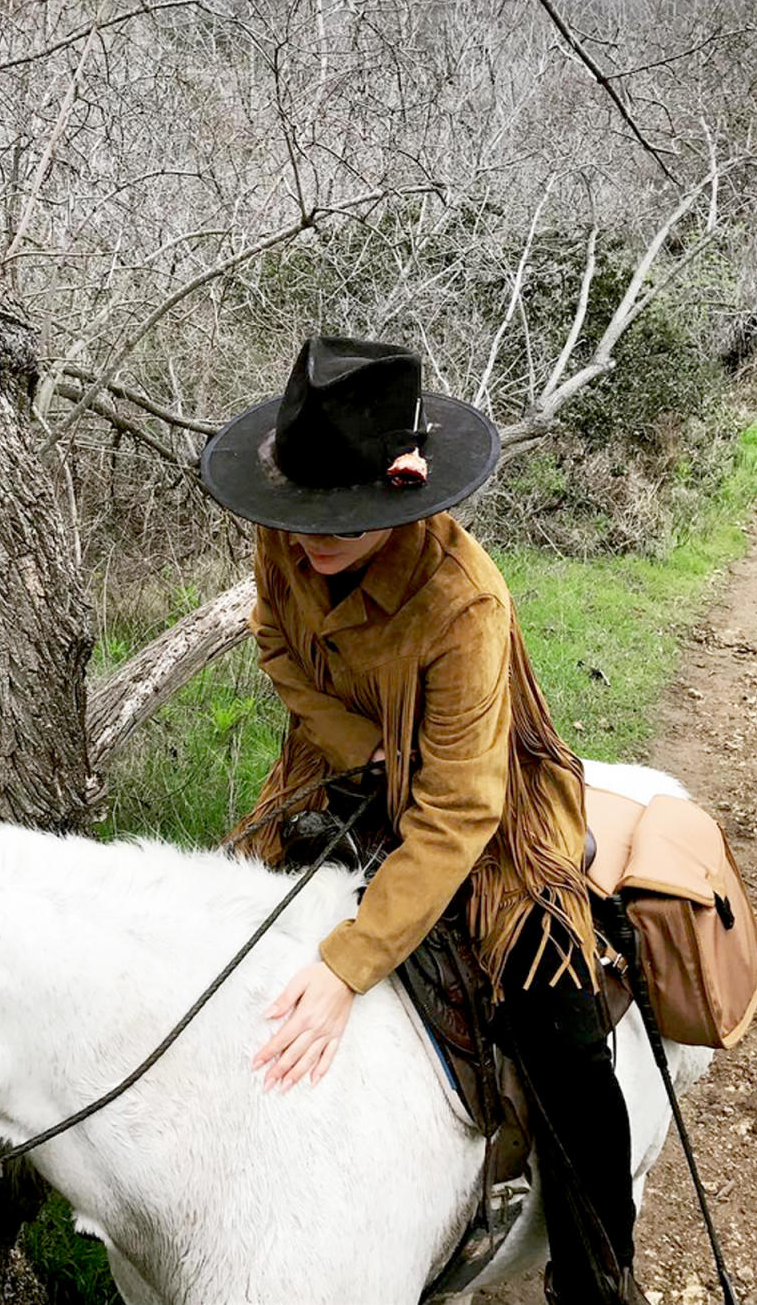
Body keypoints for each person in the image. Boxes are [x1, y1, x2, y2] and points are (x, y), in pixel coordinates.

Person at [199, 337, 643, 1305]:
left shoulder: (463, 600)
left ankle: (599, 1274)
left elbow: (459, 808)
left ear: (397, 500)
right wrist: (357, 745)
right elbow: (274, 643)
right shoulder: (289, 531)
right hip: (334, 772)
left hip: (480, 815)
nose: (312, 539)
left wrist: (351, 960)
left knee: (562, 1040)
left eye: (342, 522)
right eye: (303, 514)